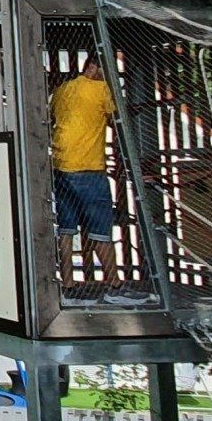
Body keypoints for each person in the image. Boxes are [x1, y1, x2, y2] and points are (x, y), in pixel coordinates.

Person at [50, 55, 155, 307]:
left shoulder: (63, 90)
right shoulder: (101, 89)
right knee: (100, 229)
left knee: (66, 229)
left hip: (61, 167)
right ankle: (115, 286)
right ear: (93, 67)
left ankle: (68, 286)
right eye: (105, 69)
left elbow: (59, 118)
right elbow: (118, 115)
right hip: (89, 168)